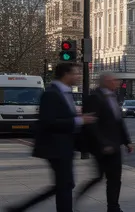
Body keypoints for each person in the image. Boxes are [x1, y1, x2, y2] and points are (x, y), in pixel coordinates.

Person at [7, 62, 95, 212]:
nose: (78, 76)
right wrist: (79, 120)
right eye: (75, 73)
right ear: (66, 75)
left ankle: (20, 208)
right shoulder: (51, 93)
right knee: (65, 185)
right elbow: (48, 122)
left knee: (64, 185)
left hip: (64, 146)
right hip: (55, 147)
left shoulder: (64, 92)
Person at [77, 73, 133, 212]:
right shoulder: (94, 98)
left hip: (115, 145)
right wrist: (103, 144)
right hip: (101, 146)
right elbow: (91, 125)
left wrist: (127, 142)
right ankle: (78, 196)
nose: (117, 82)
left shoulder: (113, 97)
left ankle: (113, 207)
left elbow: (119, 122)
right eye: (114, 80)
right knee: (99, 177)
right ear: (106, 82)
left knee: (115, 178)